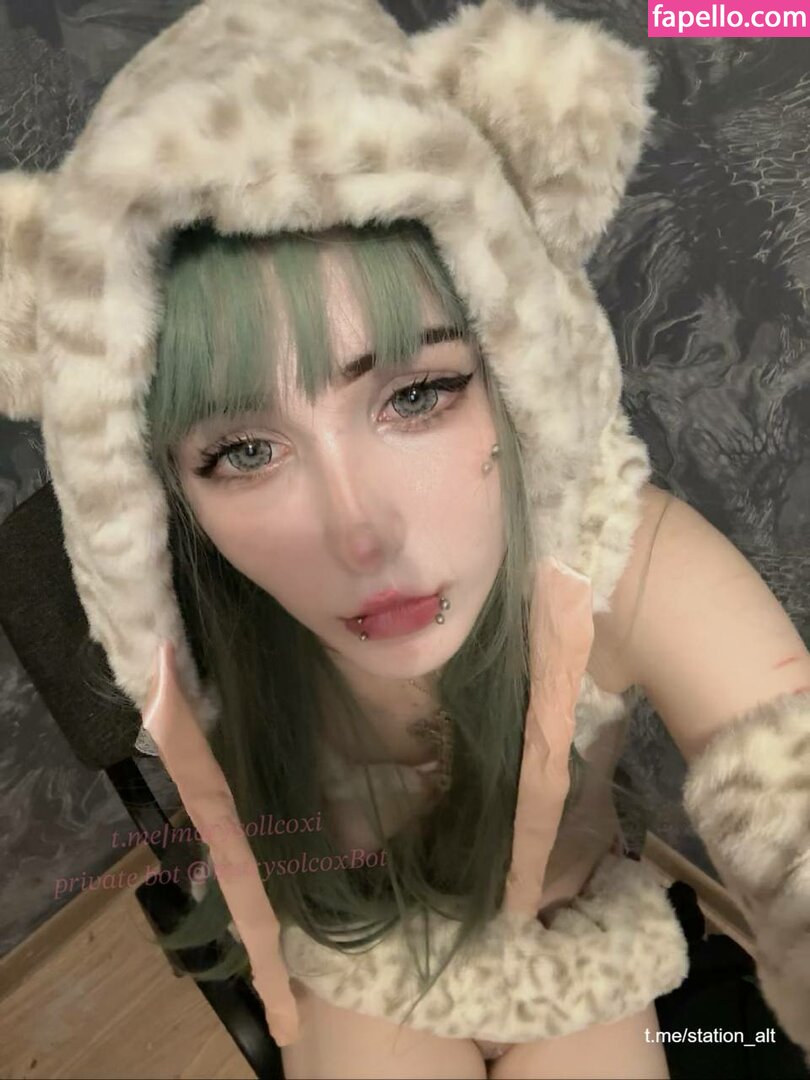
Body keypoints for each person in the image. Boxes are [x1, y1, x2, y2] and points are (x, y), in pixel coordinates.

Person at [0, 0, 808, 1076]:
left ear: (518, 368)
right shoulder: (192, 598)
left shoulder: (620, 560)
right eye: (244, 451)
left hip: (567, 944)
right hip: (351, 945)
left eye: (417, 394)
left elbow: (787, 780)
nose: (361, 534)